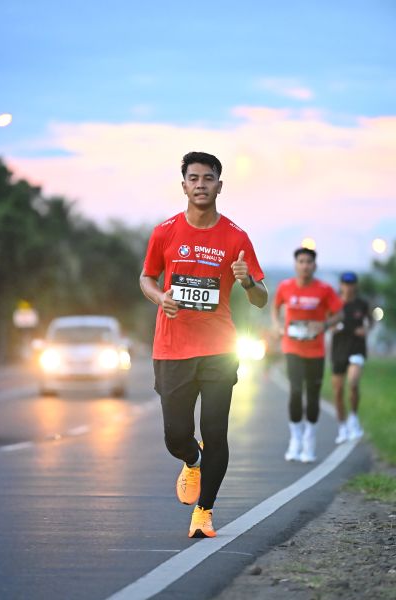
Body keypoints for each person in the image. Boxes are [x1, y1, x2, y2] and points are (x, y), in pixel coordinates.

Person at [140, 151, 268, 538]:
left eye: (208, 178)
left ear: (219, 185)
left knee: (215, 432)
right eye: (193, 178)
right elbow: (146, 278)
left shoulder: (236, 237)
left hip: (218, 350)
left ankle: (204, 512)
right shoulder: (164, 232)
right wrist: (160, 298)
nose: (201, 185)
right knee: (176, 435)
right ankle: (192, 460)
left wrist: (247, 282)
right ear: (184, 186)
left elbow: (261, 299)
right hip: (172, 348)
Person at [272, 247, 343, 463]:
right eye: (301, 261)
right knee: (295, 391)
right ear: (296, 265)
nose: (305, 265)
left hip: (316, 350)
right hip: (292, 347)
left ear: (315, 266)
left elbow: (339, 313)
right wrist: (278, 325)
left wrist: (324, 325)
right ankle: (296, 438)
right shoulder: (285, 286)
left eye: (308, 262)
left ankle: (309, 439)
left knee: (312, 395)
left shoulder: (324, 289)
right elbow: (275, 308)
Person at [331, 271, 372, 444]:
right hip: (339, 349)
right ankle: (342, 426)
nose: (348, 287)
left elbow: (371, 320)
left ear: (355, 286)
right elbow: (327, 321)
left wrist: (366, 329)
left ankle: (353, 417)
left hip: (356, 347)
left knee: (353, 382)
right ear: (341, 285)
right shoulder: (334, 302)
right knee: (338, 390)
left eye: (351, 284)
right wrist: (332, 327)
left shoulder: (362, 304)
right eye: (345, 284)